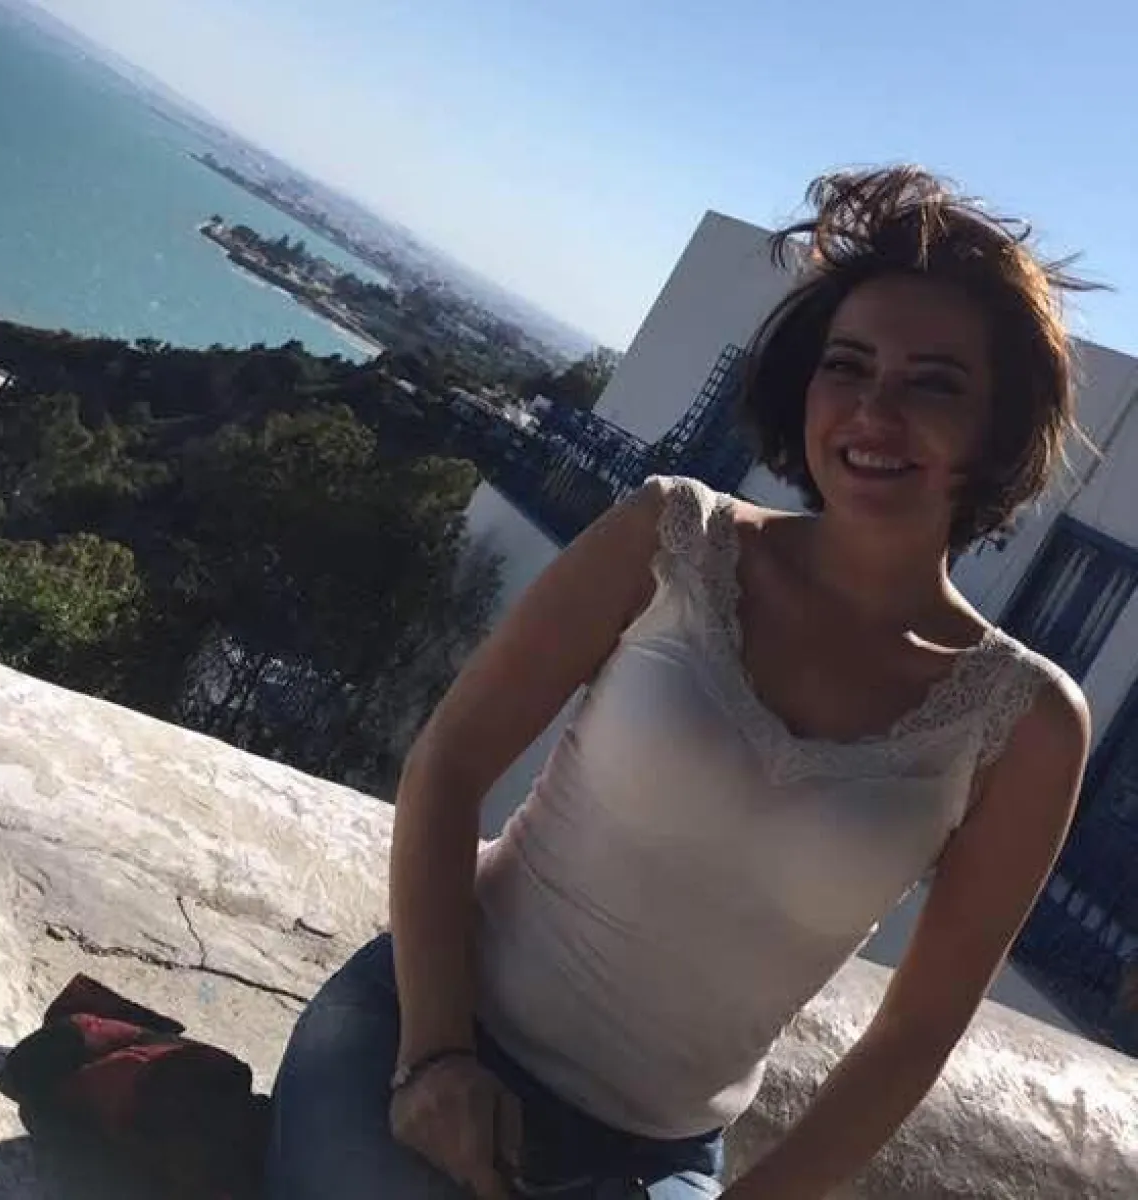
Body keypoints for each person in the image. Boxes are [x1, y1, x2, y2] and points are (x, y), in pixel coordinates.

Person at [264, 166, 1092, 1200]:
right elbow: (449, 766)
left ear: (996, 427)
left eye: (934, 384)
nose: (875, 410)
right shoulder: (671, 538)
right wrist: (436, 1059)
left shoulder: (1025, 724)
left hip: (654, 1158)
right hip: (427, 1034)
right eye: (847, 366)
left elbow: (915, 1033)